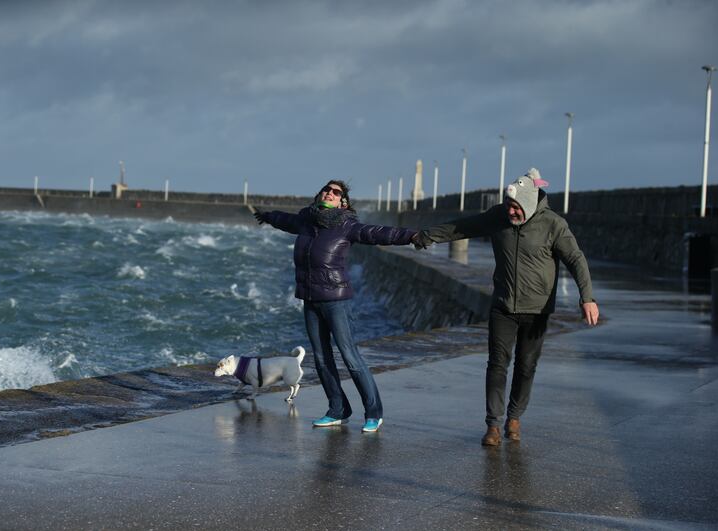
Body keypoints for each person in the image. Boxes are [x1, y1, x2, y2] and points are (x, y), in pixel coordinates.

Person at [412, 168, 599, 446]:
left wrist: (587, 298)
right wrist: (427, 236)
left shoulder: (553, 224)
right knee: (497, 364)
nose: (511, 212)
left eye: (516, 207)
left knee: (526, 367)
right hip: (503, 305)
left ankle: (514, 417)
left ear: (529, 203)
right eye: (509, 206)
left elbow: (576, 259)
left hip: (537, 310)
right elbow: (464, 226)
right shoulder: (499, 217)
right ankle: (493, 425)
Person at [254, 180, 416, 433]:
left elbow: (378, 233)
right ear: (320, 194)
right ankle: (338, 409)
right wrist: (266, 216)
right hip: (310, 299)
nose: (330, 193)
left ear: (343, 202)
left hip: (336, 301)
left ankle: (374, 413)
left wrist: (411, 236)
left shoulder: (346, 225)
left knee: (350, 357)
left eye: (336, 192)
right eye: (327, 189)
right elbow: (284, 219)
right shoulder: (306, 221)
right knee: (321, 359)